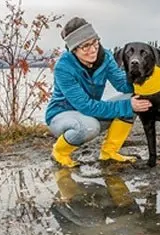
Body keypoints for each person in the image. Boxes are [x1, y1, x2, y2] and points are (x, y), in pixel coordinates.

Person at [45, 17, 151, 167]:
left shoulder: (105, 57)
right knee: (89, 127)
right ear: (74, 49)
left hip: (88, 112)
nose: (93, 49)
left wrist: (142, 76)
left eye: (95, 42)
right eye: (85, 46)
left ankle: (109, 153)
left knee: (134, 97)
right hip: (61, 116)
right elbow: (86, 106)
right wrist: (128, 106)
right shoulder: (63, 67)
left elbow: (122, 84)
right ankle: (59, 152)